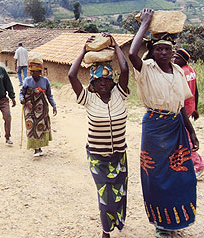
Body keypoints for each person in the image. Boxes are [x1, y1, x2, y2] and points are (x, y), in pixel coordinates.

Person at [128, 8, 198, 238]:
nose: (164, 52)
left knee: (181, 174)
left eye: (168, 49)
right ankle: (160, 223)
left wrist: (193, 133)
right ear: (152, 51)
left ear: (172, 51)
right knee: (157, 177)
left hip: (176, 128)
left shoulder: (178, 71)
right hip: (155, 129)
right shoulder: (146, 69)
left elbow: (180, 107)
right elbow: (132, 54)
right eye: (159, 48)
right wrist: (145, 25)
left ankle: (176, 221)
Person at [68, 34, 129, 238]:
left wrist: (115, 44)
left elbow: (125, 69)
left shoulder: (119, 93)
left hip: (119, 155)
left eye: (106, 79)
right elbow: (71, 76)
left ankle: (117, 222)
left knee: (119, 194)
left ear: (111, 80)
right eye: (98, 79)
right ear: (93, 81)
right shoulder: (88, 98)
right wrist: (84, 51)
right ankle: (106, 230)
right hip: (98, 157)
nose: (103, 83)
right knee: (106, 196)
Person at [173, 48, 204, 179]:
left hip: (183, 109)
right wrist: (196, 108)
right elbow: (195, 90)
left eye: (177, 58)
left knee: (187, 138)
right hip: (190, 106)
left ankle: (198, 166)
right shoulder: (191, 70)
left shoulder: (180, 72)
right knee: (182, 136)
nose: (174, 60)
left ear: (184, 60)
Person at [19, 53, 57, 157]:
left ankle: (39, 147)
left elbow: (49, 95)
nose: (33, 74)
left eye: (36, 72)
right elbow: (21, 92)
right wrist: (22, 99)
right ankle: (36, 148)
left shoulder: (45, 81)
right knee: (31, 126)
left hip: (41, 108)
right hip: (29, 107)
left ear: (40, 72)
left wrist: (54, 105)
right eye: (31, 72)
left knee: (40, 126)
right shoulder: (27, 81)